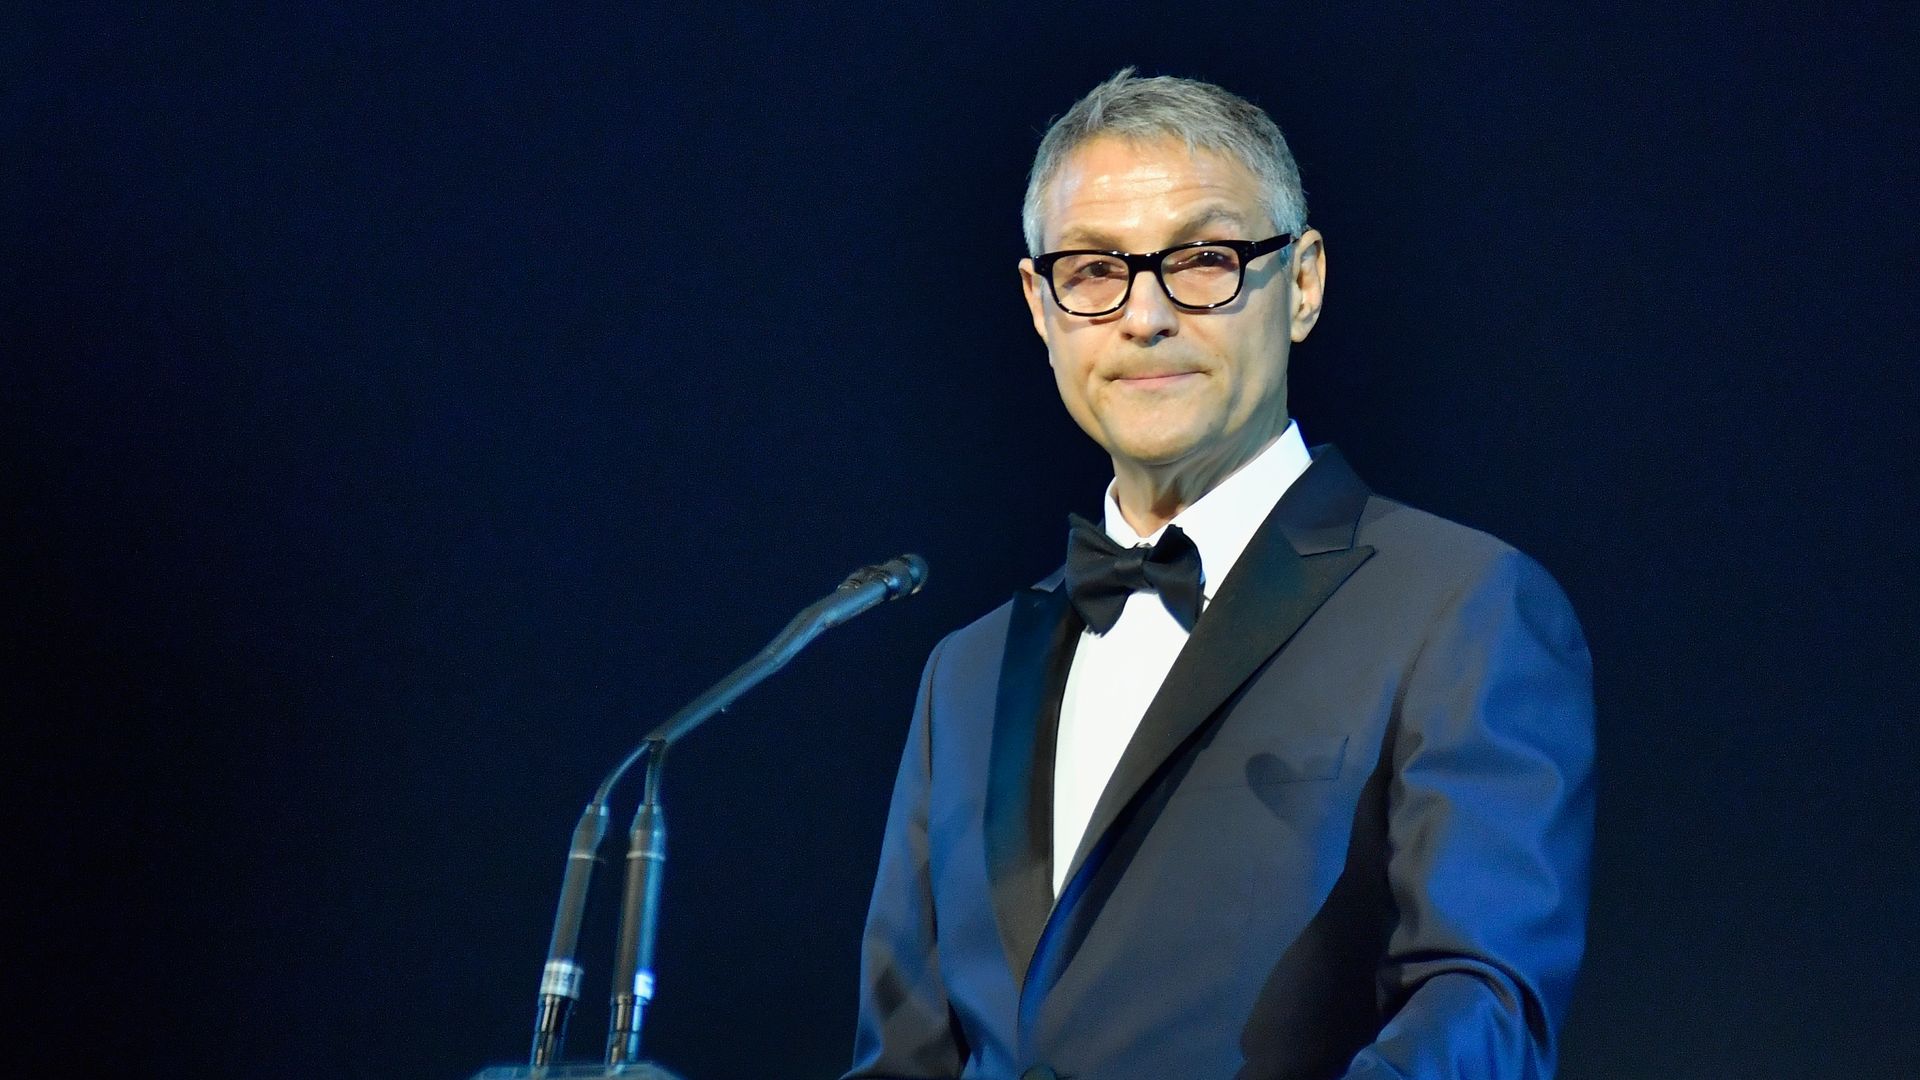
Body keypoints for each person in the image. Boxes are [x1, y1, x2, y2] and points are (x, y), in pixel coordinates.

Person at [846, 69, 1594, 1080]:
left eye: (1203, 260)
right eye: (1093, 270)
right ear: (1040, 305)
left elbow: (1481, 1012)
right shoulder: (964, 675)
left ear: (1304, 285)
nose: (1145, 316)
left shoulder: (1461, 605)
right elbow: (904, 1059)